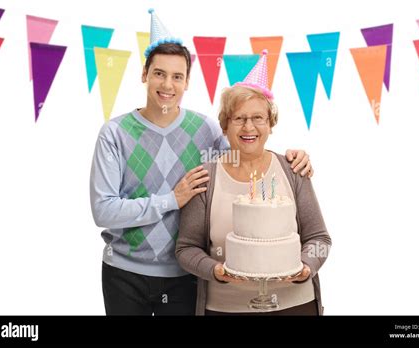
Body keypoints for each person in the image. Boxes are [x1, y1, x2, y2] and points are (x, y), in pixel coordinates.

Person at [90, 9, 313, 316]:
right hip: (124, 273)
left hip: (185, 276)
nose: (167, 84)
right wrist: (171, 199)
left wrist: (289, 159)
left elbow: (244, 159)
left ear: (187, 82)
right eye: (159, 73)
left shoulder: (205, 130)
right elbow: (103, 211)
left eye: (177, 76)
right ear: (144, 75)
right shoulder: (114, 133)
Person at [175, 52, 331, 315]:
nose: (249, 127)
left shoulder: (293, 170)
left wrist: (306, 267)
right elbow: (186, 249)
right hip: (227, 307)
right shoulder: (205, 177)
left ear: (270, 124)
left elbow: (320, 239)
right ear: (225, 126)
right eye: (239, 118)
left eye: (258, 118)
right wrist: (217, 271)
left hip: (294, 305)